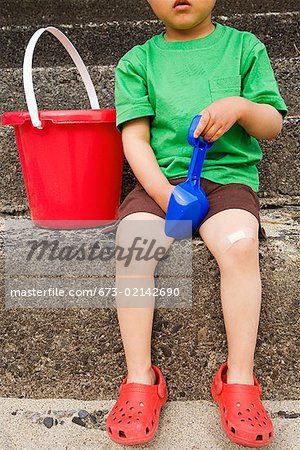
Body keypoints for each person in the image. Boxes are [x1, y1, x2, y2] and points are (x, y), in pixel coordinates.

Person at [105, 0, 287, 446]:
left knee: (241, 245)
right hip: (160, 183)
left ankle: (239, 380)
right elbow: (135, 140)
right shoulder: (137, 62)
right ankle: (140, 379)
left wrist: (241, 106)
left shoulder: (245, 48)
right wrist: (166, 196)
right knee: (132, 248)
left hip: (226, 182)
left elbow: (272, 125)